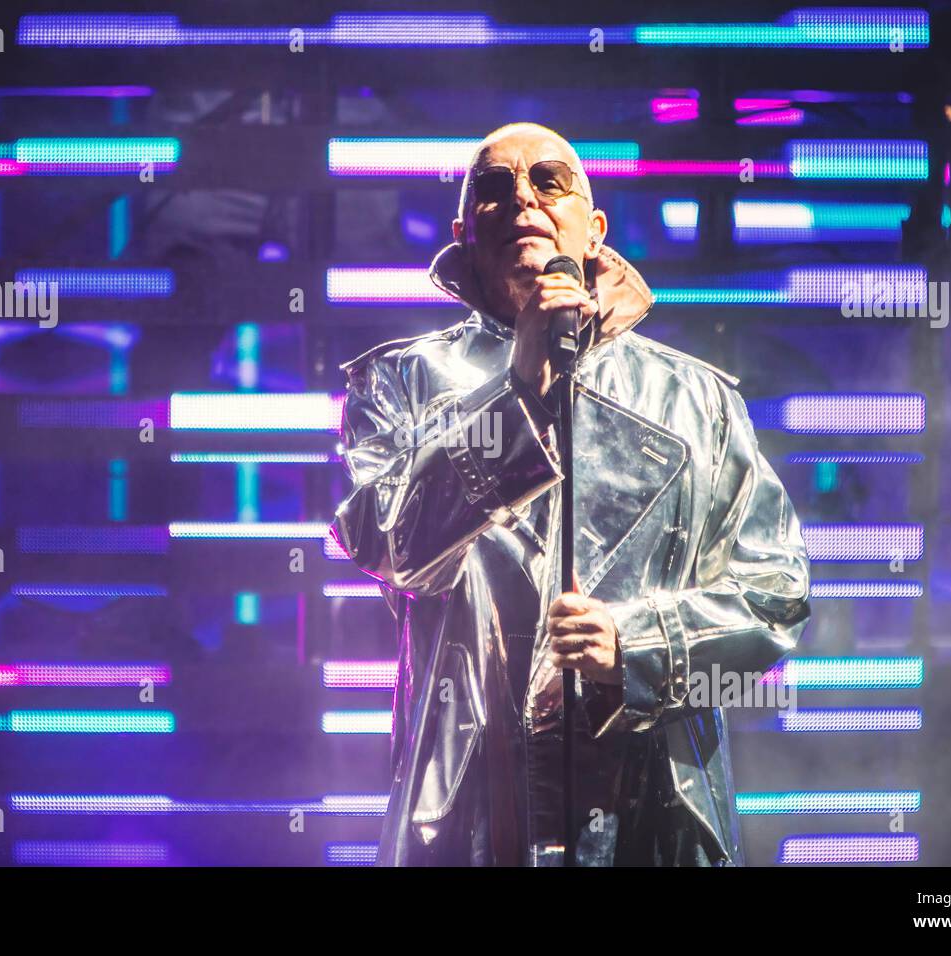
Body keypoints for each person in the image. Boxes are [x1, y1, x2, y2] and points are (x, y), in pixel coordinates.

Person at [331, 122, 811, 866]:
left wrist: (639, 643)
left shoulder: (697, 402)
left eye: (550, 181)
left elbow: (775, 591)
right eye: (493, 189)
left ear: (595, 229)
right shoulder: (399, 384)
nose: (522, 197)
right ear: (464, 234)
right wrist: (519, 390)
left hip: (653, 820)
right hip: (469, 815)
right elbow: (386, 542)